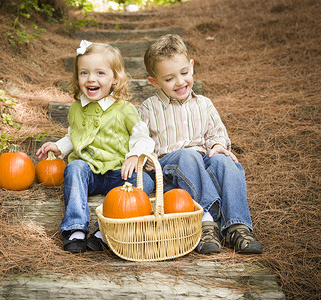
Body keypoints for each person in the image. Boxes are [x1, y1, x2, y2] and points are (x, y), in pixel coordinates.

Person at [138, 34, 262, 254]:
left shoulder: (204, 104)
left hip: (203, 164)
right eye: (169, 79)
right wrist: (148, 160)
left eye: (184, 73)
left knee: (225, 162)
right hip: (171, 171)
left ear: (191, 67)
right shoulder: (148, 109)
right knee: (188, 156)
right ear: (154, 81)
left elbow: (217, 134)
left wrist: (217, 147)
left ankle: (237, 226)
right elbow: (141, 143)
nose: (180, 82)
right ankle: (206, 222)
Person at [36, 40, 155, 253]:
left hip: (119, 174)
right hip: (88, 172)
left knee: (145, 181)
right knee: (74, 168)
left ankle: (104, 231)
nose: (91, 78)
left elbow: (143, 138)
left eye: (100, 73)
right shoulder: (76, 109)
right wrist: (59, 147)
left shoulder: (124, 109)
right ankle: (76, 229)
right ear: (77, 77)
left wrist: (133, 156)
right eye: (84, 73)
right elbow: (75, 136)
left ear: (115, 78)